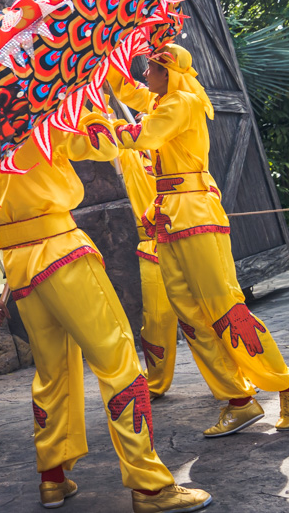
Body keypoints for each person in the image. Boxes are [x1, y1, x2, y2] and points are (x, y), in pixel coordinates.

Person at [0, 110, 212, 513]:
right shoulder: (40, 124)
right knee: (118, 361)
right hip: (62, 254)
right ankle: (150, 487)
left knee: (52, 373)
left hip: (19, 273)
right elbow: (103, 143)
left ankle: (53, 478)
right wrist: (89, 109)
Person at [110, 44, 289, 437]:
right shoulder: (163, 98)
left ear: (168, 73)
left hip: (194, 212)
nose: (144, 74)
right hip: (169, 214)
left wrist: (97, 124)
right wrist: (105, 59)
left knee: (224, 308)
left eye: (150, 68)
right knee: (191, 315)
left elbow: (142, 135)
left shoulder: (180, 102)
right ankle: (239, 399)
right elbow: (127, 91)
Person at [117, 148, 178, 398]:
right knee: (157, 318)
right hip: (153, 242)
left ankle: (235, 380)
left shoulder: (179, 143)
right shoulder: (128, 152)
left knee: (210, 312)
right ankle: (155, 382)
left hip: (192, 234)